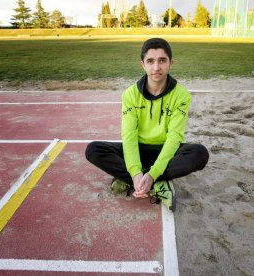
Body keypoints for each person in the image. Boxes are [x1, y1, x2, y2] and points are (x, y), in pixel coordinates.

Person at [85, 38, 209, 212]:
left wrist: (152, 174)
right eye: (150, 61)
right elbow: (129, 136)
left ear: (171, 63)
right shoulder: (130, 95)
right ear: (142, 64)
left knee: (199, 154)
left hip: (165, 150)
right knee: (93, 150)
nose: (156, 67)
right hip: (138, 148)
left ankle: (136, 178)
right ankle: (147, 180)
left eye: (162, 60)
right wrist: (136, 173)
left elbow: (174, 137)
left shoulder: (182, 96)